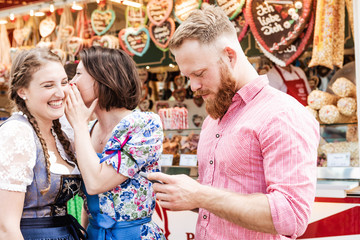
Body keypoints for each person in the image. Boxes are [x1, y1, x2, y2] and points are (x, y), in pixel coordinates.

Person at [148, 5, 320, 240]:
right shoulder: (213, 119)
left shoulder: (282, 114)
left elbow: (291, 216)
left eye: (199, 73)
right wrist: (184, 195)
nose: (193, 87)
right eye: (188, 77)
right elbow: (223, 199)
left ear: (229, 56)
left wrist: (200, 195)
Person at [65, 46, 166, 240]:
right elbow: (90, 202)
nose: (72, 82)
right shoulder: (89, 128)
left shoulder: (144, 125)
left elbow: (96, 183)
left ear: (103, 77)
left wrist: (78, 124)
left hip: (133, 235)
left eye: (78, 74)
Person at [0, 48, 86, 239]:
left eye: (64, 82)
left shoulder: (62, 130)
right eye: (48, 86)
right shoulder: (17, 132)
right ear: (23, 92)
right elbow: (6, 227)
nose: (60, 92)